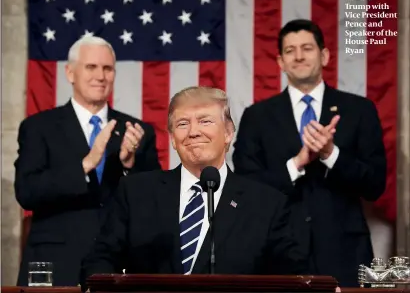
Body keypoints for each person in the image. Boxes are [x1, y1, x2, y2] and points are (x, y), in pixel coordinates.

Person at [80, 86, 308, 289]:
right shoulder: (136, 192)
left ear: (228, 133)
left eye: (205, 121)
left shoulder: (266, 203)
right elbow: (100, 260)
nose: (193, 132)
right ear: (172, 139)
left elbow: (294, 275)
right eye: (182, 124)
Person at [232, 19, 387, 287]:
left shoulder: (359, 110)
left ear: (324, 55)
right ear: (280, 61)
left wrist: (331, 154)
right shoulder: (256, 117)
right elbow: (245, 187)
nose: (299, 56)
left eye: (307, 48)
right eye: (290, 50)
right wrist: (296, 164)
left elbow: (375, 184)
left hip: (345, 255)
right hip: (277, 255)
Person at [15, 36, 161, 286]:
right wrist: (85, 165)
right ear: (70, 73)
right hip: (56, 263)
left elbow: (155, 201)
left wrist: (129, 165)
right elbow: (27, 192)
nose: (101, 76)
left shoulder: (137, 131)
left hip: (118, 265)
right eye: (91, 67)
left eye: (107, 69)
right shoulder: (39, 127)